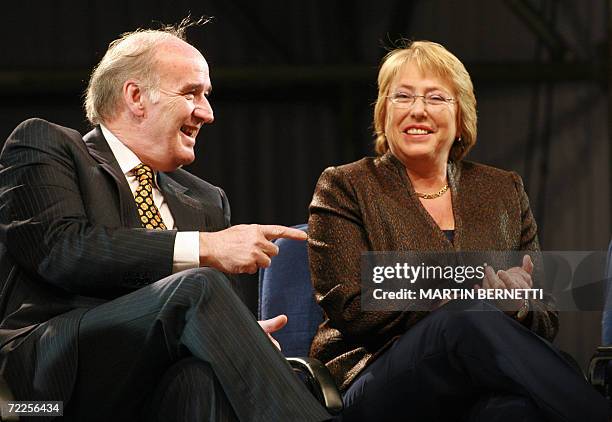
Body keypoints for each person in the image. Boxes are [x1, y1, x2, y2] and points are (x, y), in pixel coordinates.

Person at [0, 19, 330, 422]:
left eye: (207, 96)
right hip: (53, 377)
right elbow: (62, 250)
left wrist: (239, 337)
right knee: (198, 286)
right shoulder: (47, 145)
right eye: (192, 93)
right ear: (136, 96)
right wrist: (205, 248)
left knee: (202, 379)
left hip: (156, 380)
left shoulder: (206, 201)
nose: (206, 113)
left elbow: (199, 311)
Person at [307, 40, 608, 421]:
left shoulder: (503, 189)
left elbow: (546, 314)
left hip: (481, 377)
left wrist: (517, 306)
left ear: (461, 116)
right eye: (403, 97)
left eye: (435, 98)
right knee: (466, 316)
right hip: (378, 377)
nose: (418, 110)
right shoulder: (345, 185)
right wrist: (469, 290)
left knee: (514, 411)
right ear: (384, 113)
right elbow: (352, 306)